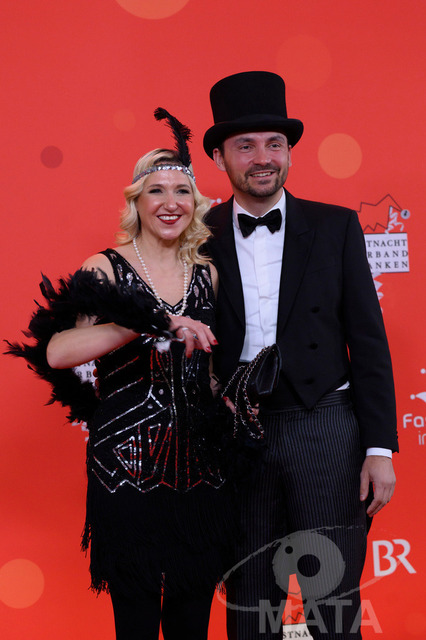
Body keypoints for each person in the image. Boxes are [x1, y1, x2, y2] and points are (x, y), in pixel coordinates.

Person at [7, 109, 232, 640]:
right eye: (156, 191)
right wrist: (145, 321)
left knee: (192, 619)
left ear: (195, 203)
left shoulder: (208, 273)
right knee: (135, 620)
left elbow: (209, 368)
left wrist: (230, 400)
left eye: (182, 191)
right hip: (126, 468)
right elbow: (58, 351)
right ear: (137, 202)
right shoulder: (104, 268)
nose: (170, 202)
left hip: (202, 468)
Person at [203, 71, 398, 640]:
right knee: (248, 608)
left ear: (289, 151)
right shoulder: (195, 233)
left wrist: (379, 448)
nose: (263, 158)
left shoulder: (335, 226)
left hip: (325, 427)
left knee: (331, 605)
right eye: (245, 146)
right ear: (219, 157)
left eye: (274, 144)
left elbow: (368, 340)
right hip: (236, 437)